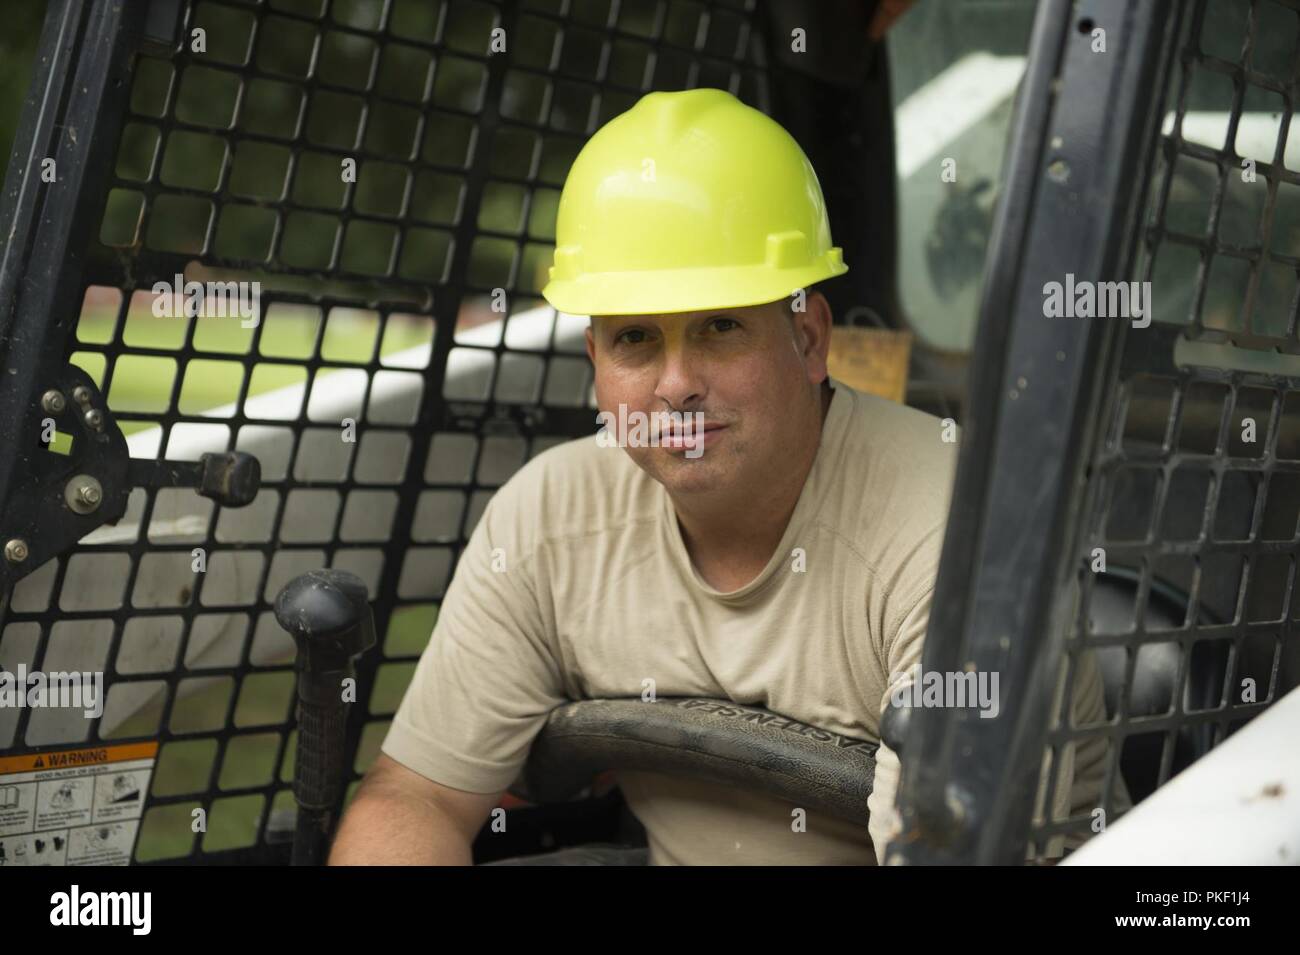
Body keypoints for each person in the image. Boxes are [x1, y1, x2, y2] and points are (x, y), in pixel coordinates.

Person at [328, 87, 1114, 866]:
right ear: (595, 366)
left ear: (808, 339)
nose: (676, 384)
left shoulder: (958, 534)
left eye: (720, 327)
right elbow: (415, 798)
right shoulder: (548, 520)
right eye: (637, 338)